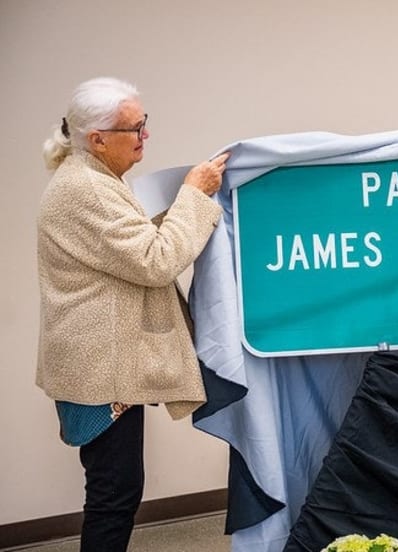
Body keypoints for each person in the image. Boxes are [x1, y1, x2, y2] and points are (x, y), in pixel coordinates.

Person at [36, 77, 229, 552]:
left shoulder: (95, 178)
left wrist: (188, 205)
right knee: (113, 494)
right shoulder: (87, 189)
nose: (145, 136)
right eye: (135, 128)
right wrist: (192, 196)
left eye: (144, 124)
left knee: (115, 489)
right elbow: (156, 261)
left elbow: (132, 246)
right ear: (97, 139)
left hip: (104, 363)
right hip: (100, 370)